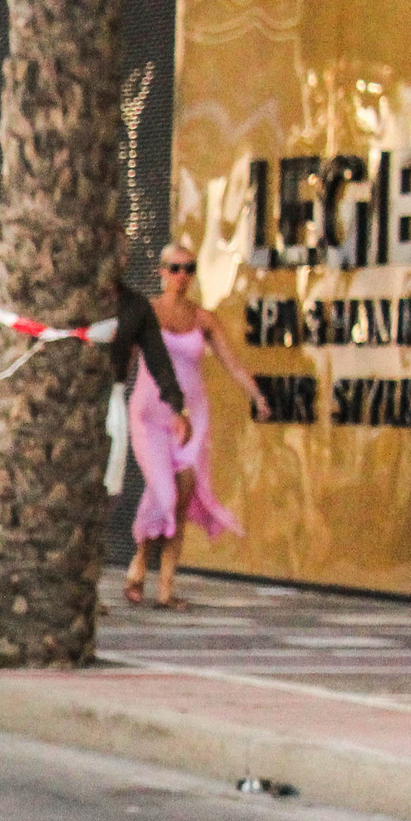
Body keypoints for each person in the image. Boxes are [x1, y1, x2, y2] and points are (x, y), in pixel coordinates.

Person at [123, 243, 269, 608]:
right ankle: (139, 561)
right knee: (163, 492)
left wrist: (257, 396)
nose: (182, 276)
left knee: (185, 491)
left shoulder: (203, 319)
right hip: (151, 415)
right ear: (161, 271)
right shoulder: (148, 313)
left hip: (192, 415)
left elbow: (232, 362)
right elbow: (123, 360)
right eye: (174, 268)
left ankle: (166, 587)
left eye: (189, 268)